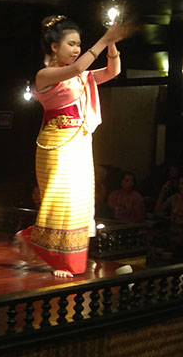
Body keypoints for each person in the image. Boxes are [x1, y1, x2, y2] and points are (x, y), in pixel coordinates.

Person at [15, 15, 132, 278]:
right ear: (54, 47)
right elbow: (77, 68)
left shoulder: (83, 76)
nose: (77, 48)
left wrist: (112, 43)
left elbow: (113, 71)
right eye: (71, 43)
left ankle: (59, 253)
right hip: (55, 144)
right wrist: (105, 38)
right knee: (60, 200)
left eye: (79, 44)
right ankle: (55, 257)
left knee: (78, 201)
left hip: (79, 142)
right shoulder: (45, 74)